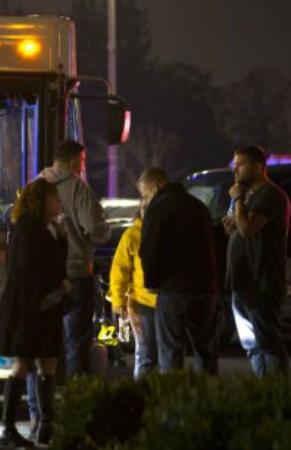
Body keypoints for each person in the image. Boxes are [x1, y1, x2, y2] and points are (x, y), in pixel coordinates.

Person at [0, 179, 69, 447]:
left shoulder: (41, 228)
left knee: (46, 362)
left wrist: (60, 236)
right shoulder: (29, 229)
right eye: (54, 198)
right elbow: (34, 267)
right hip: (31, 308)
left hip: (41, 307)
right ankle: (8, 427)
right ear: (41, 201)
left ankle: (45, 423)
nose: (58, 203)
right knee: (23, 363)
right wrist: (57, 284)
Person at [137, 167, 219, 374]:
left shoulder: (158, 209)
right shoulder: (199, 206)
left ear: (156, 186)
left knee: (171, 353)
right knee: (206, 353)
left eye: (145, 193)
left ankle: (172, 399)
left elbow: (149, 249)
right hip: (205, 289)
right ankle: (207, 400)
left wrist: (151, 282)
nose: (145, 199)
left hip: (173, 289)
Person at [39, 140, 110, 376]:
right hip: (76, 272)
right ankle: (74, 395)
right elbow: (96, 229)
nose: (82, 167)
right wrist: (104, 227)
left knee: (45, 341)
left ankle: (45, 395)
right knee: (76, 340)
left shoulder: (35, 186)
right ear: (72, 162)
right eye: (82, 162)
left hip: (43, 276)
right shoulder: (78, 188)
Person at [224, 146, 289, 377]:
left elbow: (248, 228)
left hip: (261, 281)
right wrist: (231, 222)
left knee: (267, 341)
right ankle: (261, 389)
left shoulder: (270, 195)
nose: (235, 170)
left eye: (240, 165)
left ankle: (275, 393)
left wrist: (239, 199)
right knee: (251, 344)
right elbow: (238, 226)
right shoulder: (249, 196)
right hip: (242, 281)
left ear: (258, 167)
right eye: (234, 165)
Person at [109, 199, 157, 379]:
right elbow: (119, 270)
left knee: (152, 355)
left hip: (159, 302)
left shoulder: (143, 233)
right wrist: (118, 300)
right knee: (146, 354)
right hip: (142, 303)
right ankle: (143, 396)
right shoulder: (132, 235)